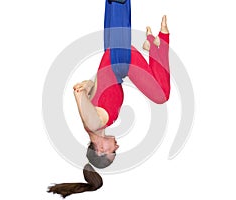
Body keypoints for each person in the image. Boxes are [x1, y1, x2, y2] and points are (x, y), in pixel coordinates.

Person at [48, 0, 170, 197]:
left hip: (118, 62)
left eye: (113, 152)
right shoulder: (96, 125)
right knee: (159, 93)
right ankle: (154, 45)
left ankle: (158, 43)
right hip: (116, 62)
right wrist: (89, 85)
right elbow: (96, 89)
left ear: (100, 149)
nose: (117, 147)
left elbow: (80, 97)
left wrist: (82, 91)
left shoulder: (94, 123)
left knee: (162, 95)